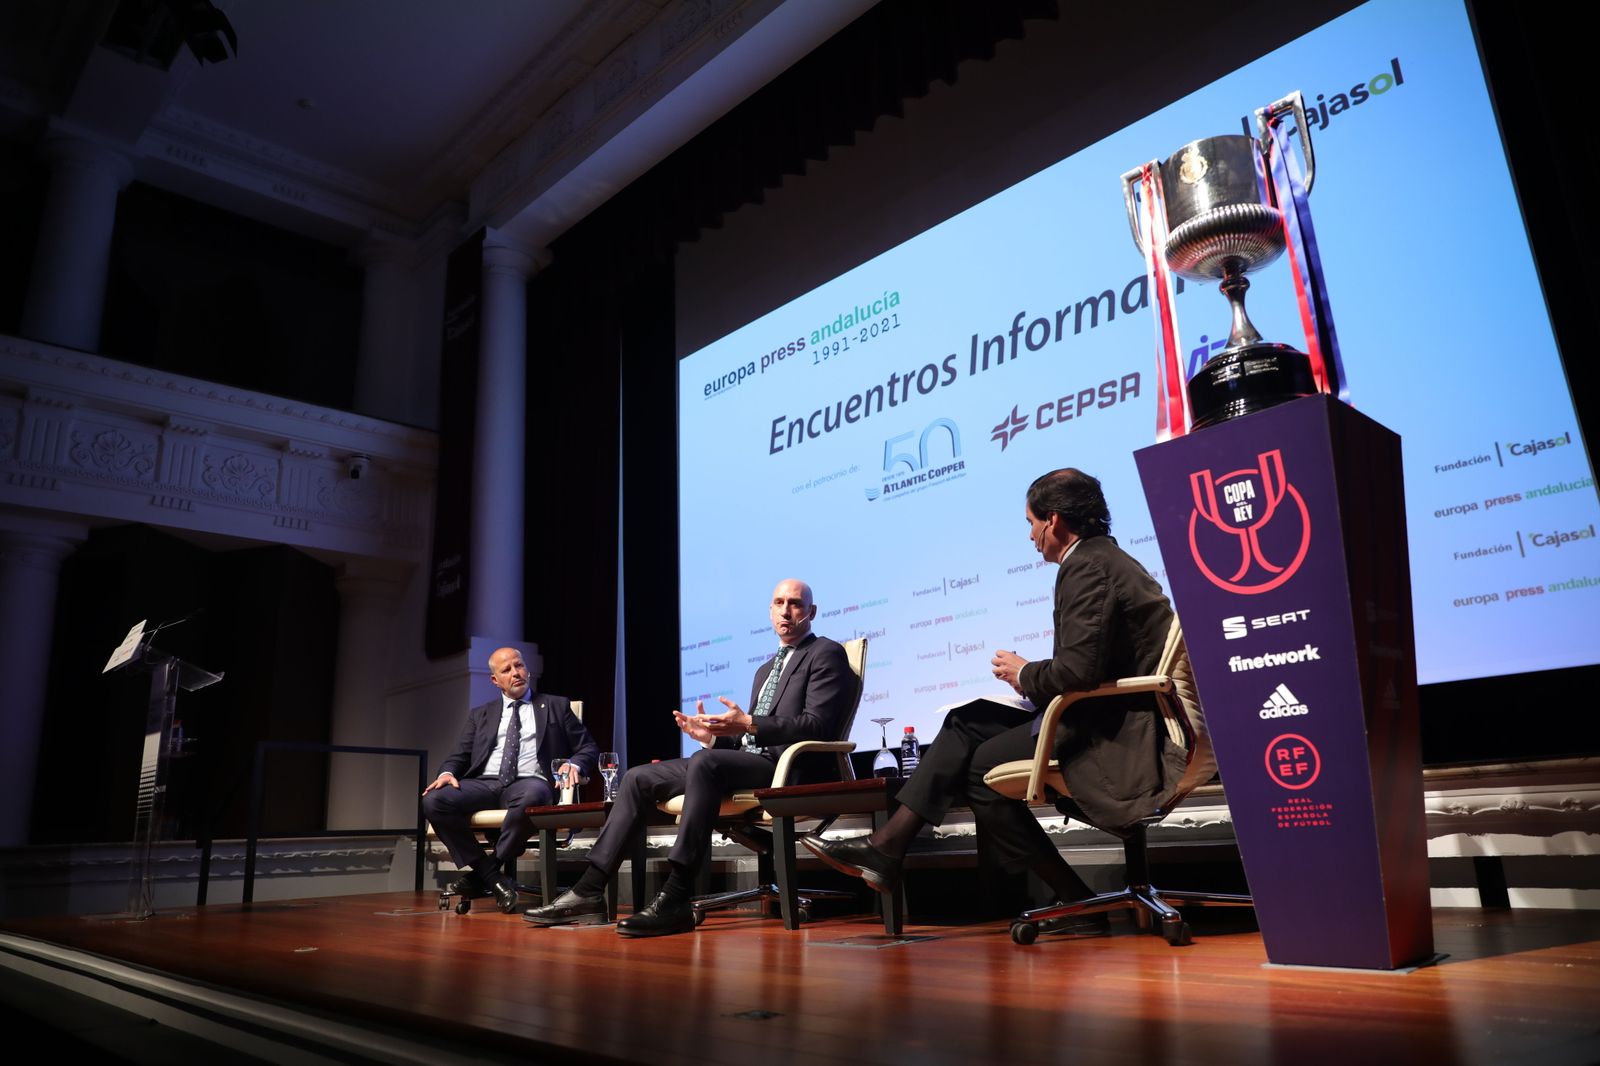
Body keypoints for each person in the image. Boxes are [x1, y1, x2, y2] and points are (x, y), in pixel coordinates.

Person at [804, 468, 1184, 934]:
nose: (1030, 536)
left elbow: (1078, 673)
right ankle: (887, 848)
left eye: (1031, 523)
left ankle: (1073, 899)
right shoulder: (1109, 560)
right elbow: (1094, 664)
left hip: (1113, 732)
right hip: (1107, 715)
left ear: (1055, 520)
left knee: (980, 770)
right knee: (968, 721)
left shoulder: (1085, 565)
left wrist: (1023, 672)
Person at [523, 578, 855, 937]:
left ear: (811, 612)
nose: (786, 611)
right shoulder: (764, 670)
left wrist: (748, 722)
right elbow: (745, 743)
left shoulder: (825, 652)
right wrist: (711, 738)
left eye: (795, 604)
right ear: (770, 610)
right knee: (637, 777)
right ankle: (589, 888)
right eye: (779, 603)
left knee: (704, 763)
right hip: (753, 762)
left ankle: (678, 894)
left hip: (791, 768)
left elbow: (816, 725)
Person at [423, 646, 598, 913]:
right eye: (507, 670)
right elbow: (458, 756)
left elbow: (588, 748)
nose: (516, 673)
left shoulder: (555, 706)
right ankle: (493, 877)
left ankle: (485, 875)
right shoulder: (480, 714)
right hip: (487, 782)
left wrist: (574, 763)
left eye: (519, 665)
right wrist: (447, 773)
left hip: (530, 781)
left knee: (534, 796)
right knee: (434, 800)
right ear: (495, 680)